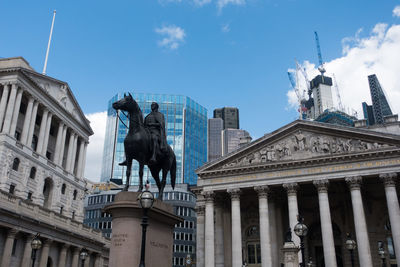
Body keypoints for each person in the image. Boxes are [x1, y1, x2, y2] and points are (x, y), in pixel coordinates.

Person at [119, 102, 168, 166]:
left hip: (155, 132)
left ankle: (153, 156)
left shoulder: (160, 115)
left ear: (156, 107)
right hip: (147, 131)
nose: (152, 106)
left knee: (153, 138)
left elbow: (161, 124)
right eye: (151, 105)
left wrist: (152, 124)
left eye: (153, 105)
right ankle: (127, 159)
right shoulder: (148, 116)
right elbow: (143, 125)